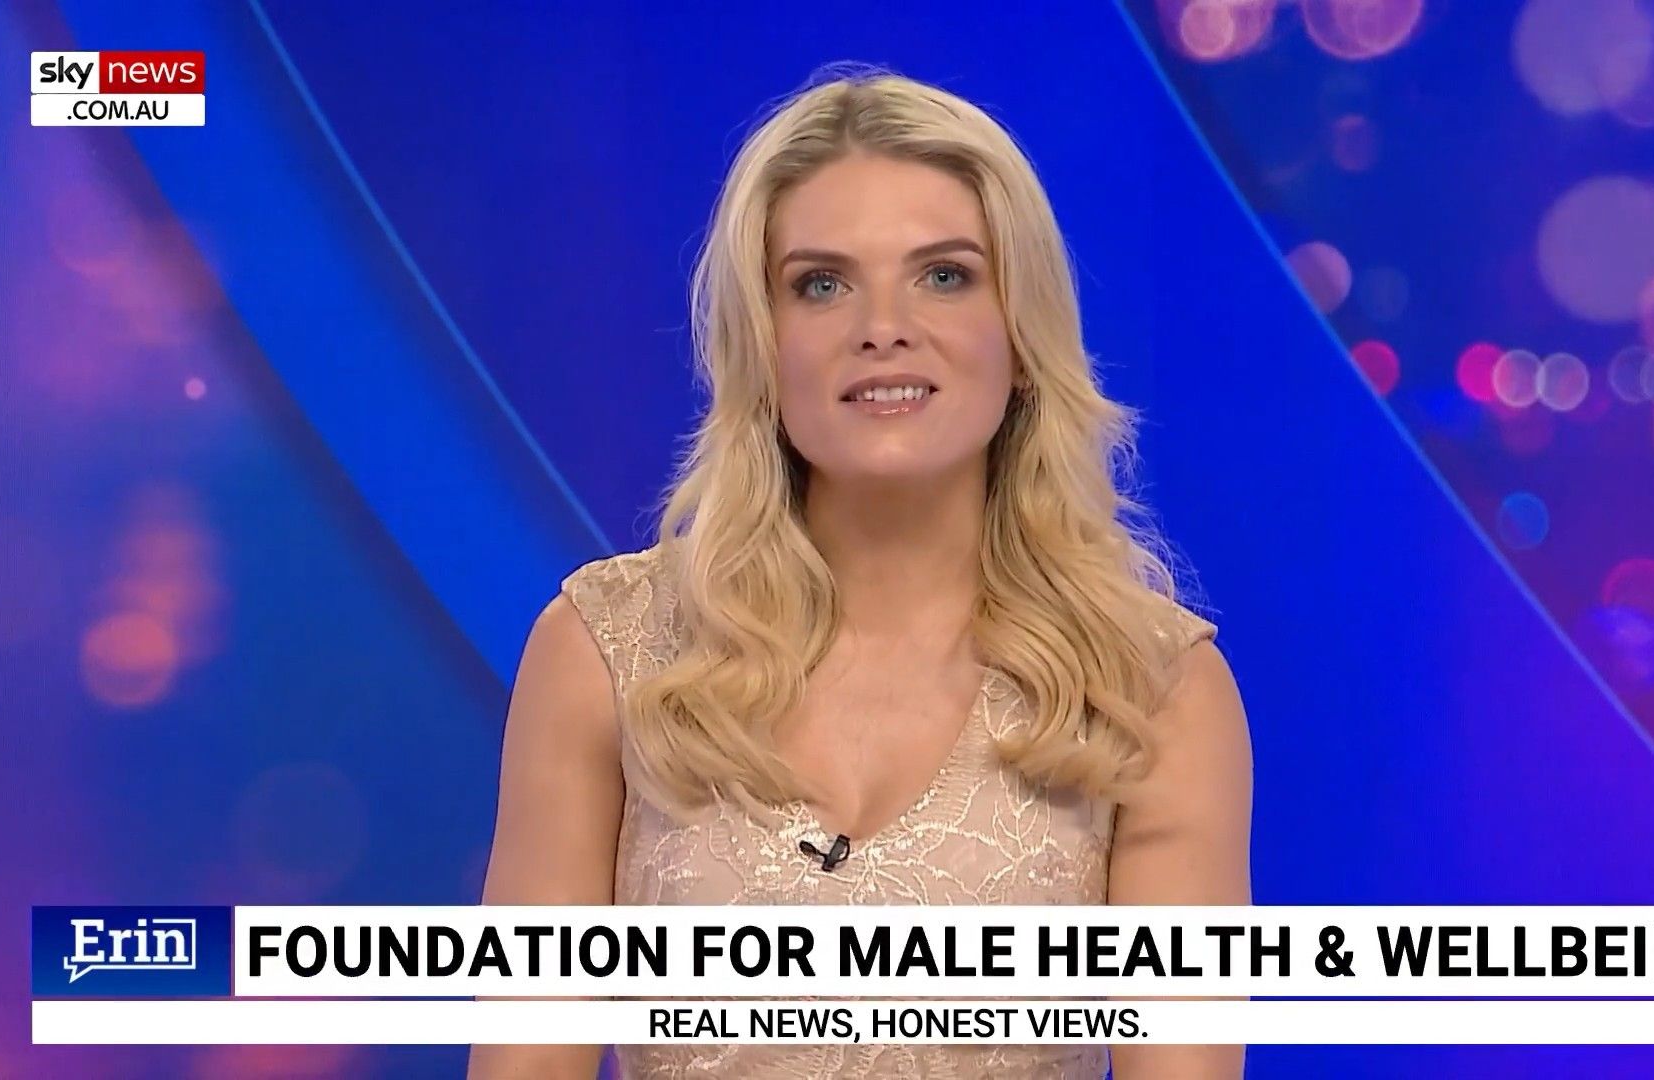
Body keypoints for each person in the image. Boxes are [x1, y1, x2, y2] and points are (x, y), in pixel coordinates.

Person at [470, 64, 1252, 1079]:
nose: (883, 326)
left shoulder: (1153, 691)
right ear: (764, 344)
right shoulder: (608, 653)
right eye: (822, 284)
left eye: (944, 276)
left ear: (1020, 337)